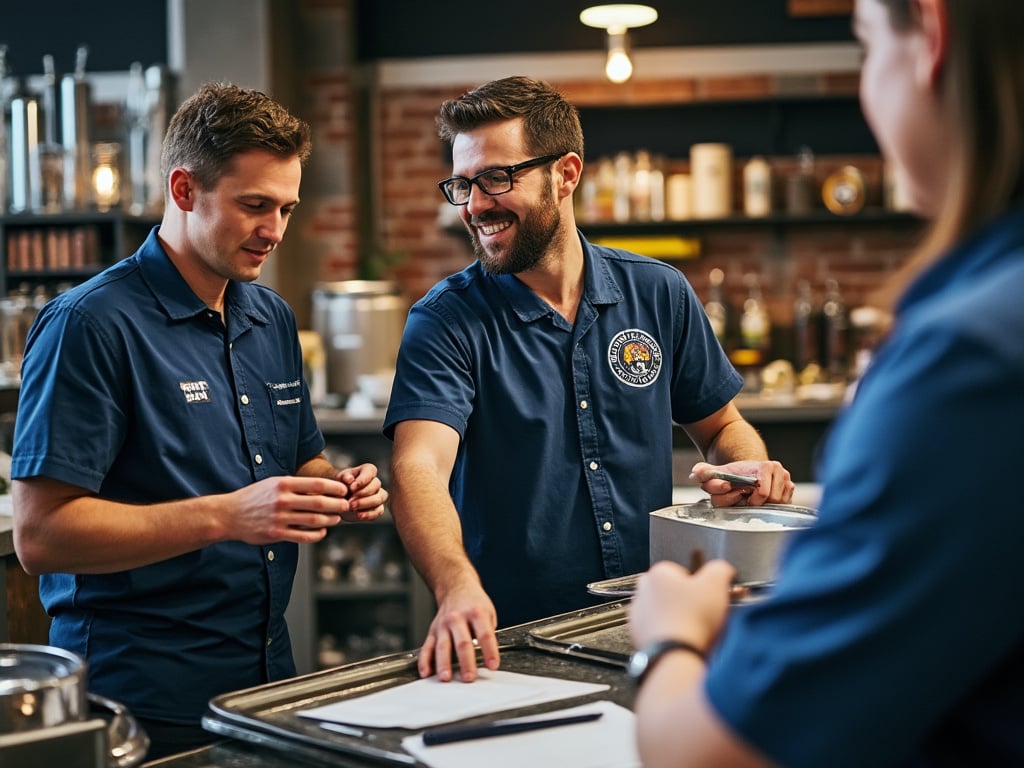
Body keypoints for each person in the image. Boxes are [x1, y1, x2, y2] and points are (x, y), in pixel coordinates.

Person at [627, 1, 1024, 765]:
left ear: (932, 40)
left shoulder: (966, 359)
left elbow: (709, 752)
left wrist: (669, 634)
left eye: (868, 47)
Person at [10, 83, 388, 760]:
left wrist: (337, 485)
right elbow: (42, 535)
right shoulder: (90, 325)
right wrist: (228, 516)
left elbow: (300, 460)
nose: (274, 231)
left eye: (286, 208)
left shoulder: (269, 317)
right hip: (143, 699)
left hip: (268, 684)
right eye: (254, 206)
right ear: (185, 190)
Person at [383, 75, 794, 684]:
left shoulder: (658, 293)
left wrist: (745, 469)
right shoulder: (446, 320)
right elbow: (417, 468)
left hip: (653, 627)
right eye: (463, 184)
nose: (475, 204)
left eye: (497, 178)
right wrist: (455, 585)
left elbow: (724, 426)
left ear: (566, 174)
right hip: (513, 642)